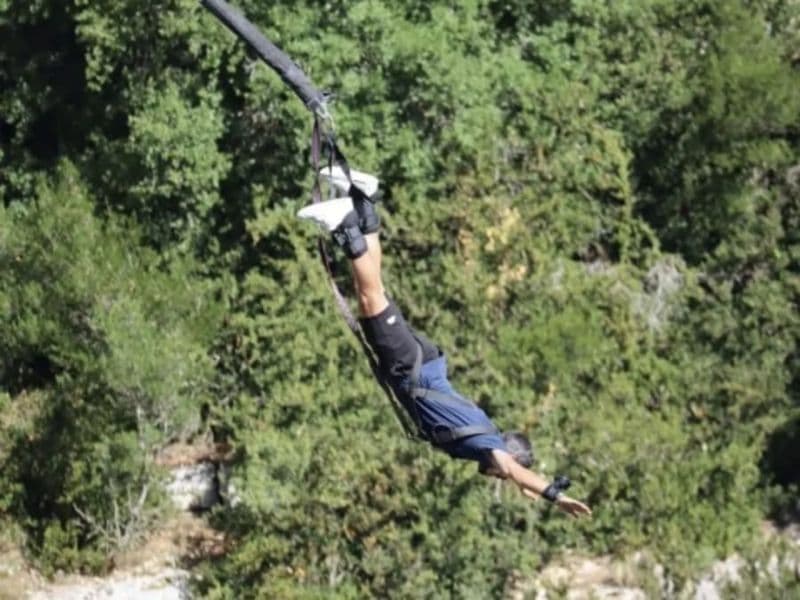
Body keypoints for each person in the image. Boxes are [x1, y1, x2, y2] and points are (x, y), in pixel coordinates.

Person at [298, 167, 591, 518]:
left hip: (422, 366)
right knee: (371, 299)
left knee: (375, 295)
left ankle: (365, 201)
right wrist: (553, 495)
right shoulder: (488, 444)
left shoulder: (483, 445)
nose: (498, 476)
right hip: (414, 371)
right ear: (508, 458)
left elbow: (514, 473)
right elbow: (513, 469)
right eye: (505, 472)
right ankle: (346, 220)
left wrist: (524, 486)